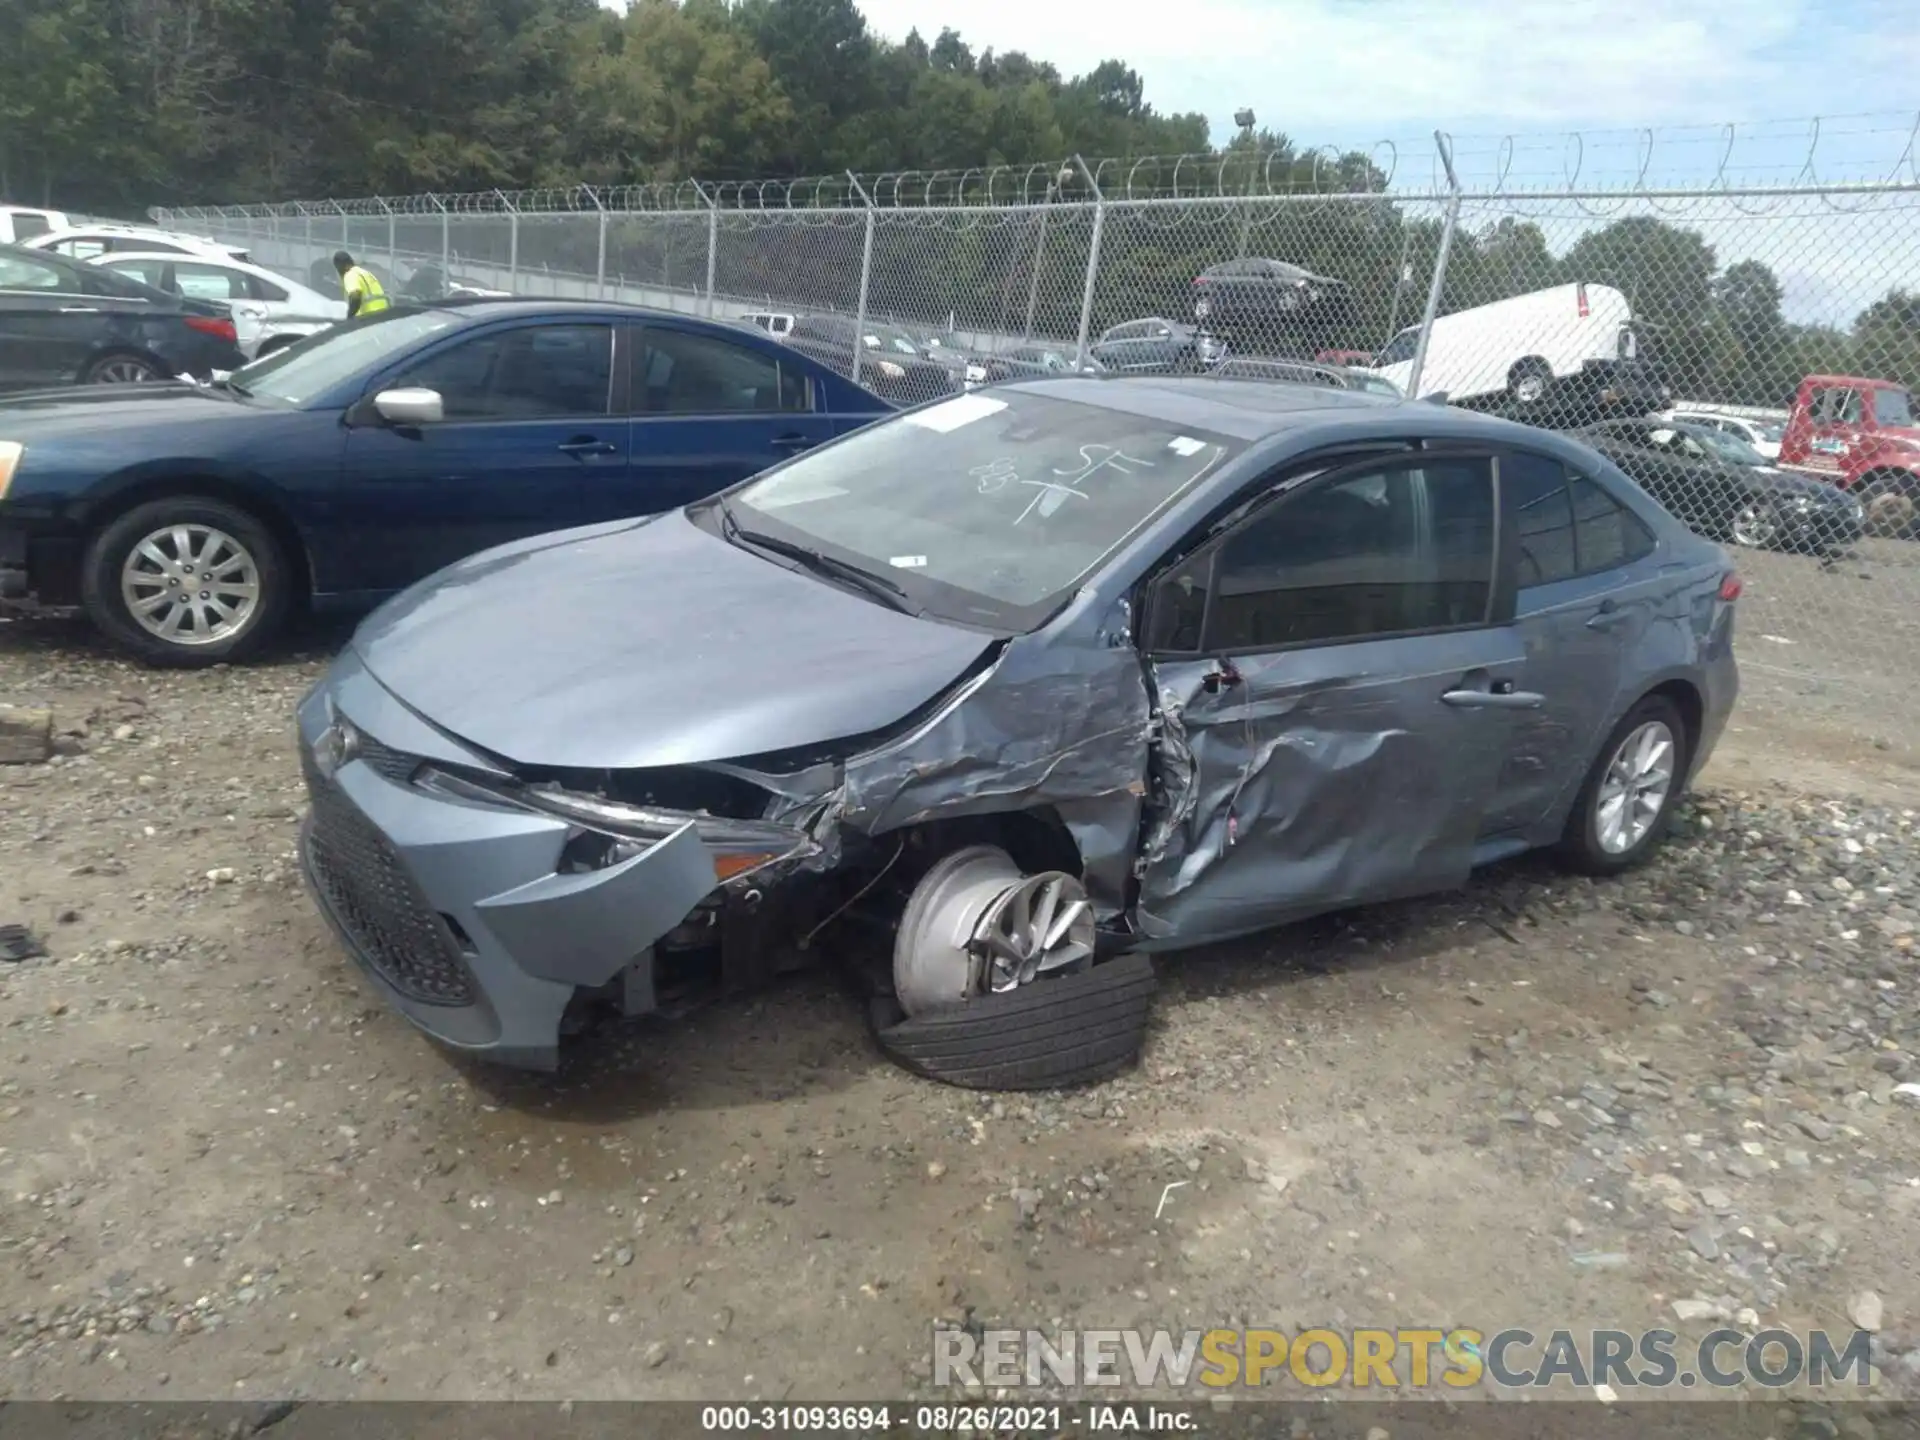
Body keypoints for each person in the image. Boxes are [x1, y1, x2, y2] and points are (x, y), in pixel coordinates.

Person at [332, 251, 389, 319]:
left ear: (340, 266)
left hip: (369, 317)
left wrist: (349, 317)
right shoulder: (365, 273)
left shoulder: (350, 275)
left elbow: (355, 296)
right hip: (384, 316)